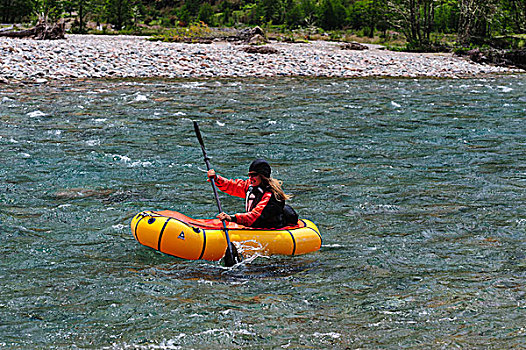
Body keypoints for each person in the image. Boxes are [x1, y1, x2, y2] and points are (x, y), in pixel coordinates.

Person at [207, 159, 292, 229]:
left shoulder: (271, 195)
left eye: (254, 175)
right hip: (254, 224)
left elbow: (254, 216)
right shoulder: (251, 186)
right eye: (249, 175)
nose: (250, 178)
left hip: (268, 227)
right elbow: (233, 186)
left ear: (262, 176)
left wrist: (232, 218)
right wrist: (216, 179)